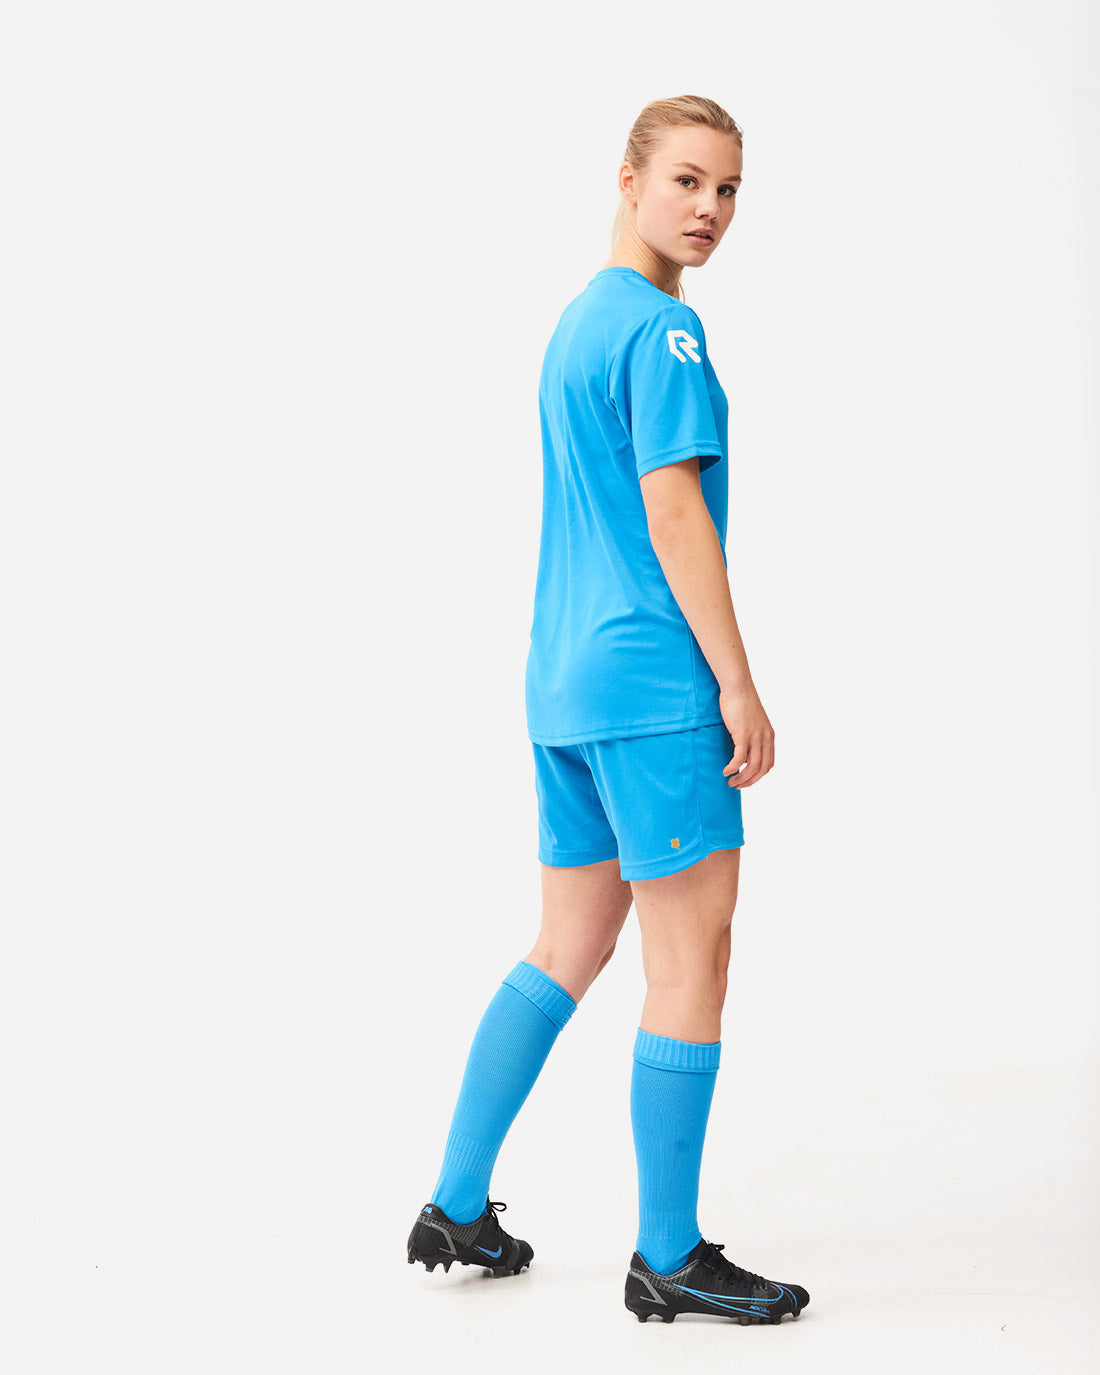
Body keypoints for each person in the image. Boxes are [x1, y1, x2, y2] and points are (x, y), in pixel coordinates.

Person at [406, 94, 810, 1326]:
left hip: (563, 684)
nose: (709, 209)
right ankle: (668, 1254)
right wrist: (734, 681)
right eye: (686, 180)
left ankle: (454, 1202)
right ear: (627, 180)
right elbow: (673, 511)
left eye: (727, 189)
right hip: (650, 687)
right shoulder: (663, 333)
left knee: (566, 944)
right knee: (693, 958)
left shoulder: (578, 322)